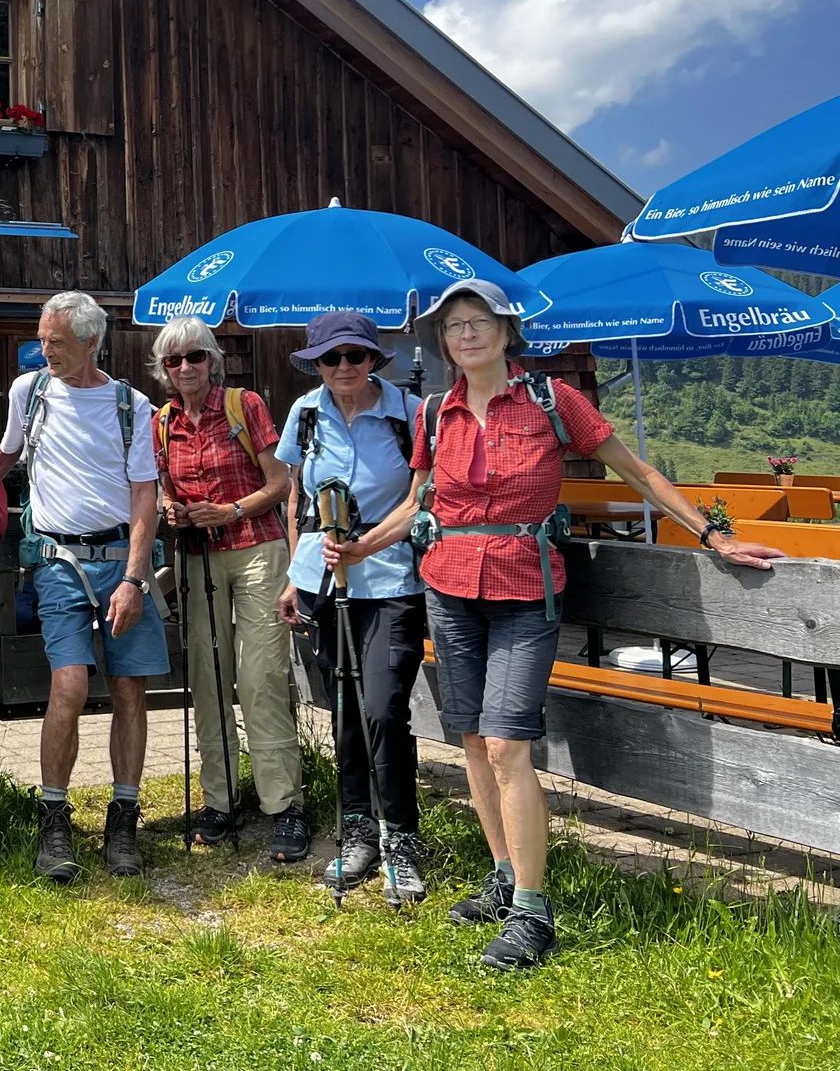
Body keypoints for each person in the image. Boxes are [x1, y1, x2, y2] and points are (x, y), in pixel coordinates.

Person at [327, 278, 783, 970]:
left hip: (524, 591)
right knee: (475, 742)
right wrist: (362, 546)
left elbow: (635, 471)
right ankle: (506, 876)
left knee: (509, 745)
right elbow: (422, 502)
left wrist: (714, 535)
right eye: (454, 326)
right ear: (443, 344)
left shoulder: (550, 400)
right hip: (448, 589)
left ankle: (534, 915)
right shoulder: (433, 414)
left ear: (507, 333)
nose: (468, 333)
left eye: (481, 321)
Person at [0, 291, 164, 882]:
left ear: (93, 342)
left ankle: (123, 820)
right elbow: (6, 455)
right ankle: (54, 821)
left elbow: (147, 495)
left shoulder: (131, 405)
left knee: (128, 690)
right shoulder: (29, 391)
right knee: (67, 686)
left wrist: (135, 580)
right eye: (42, 341)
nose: (45, 353)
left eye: (56, 343)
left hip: (121, 558)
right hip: (56, 559)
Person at [273, 313, 426, 902]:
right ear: (315, 363)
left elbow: (420, 498)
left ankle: (402, 840)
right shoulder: (305, 413)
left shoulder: (410, 413)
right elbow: (296, 496)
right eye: (330, 359)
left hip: (390, 578)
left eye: (355, 357)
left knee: (384, 708)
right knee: (343, 710)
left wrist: (363, 544)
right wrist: (293, 574)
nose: (343, 368)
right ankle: (359, 833)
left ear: (373, 360)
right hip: (322, 578)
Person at [149, 319, 305, 862]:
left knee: (260, 675)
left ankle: (283, 804)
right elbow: (164, 487)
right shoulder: (163, 422)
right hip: (197, 557)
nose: (185, 367)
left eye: (194, 356)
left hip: (257, 546)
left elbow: (280, 481)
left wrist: (231, 509)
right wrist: (173, 509)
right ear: (164, 370)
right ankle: (220, 800)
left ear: (211, 359)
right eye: (174, 361)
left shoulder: (245, 406)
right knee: (207, 677)